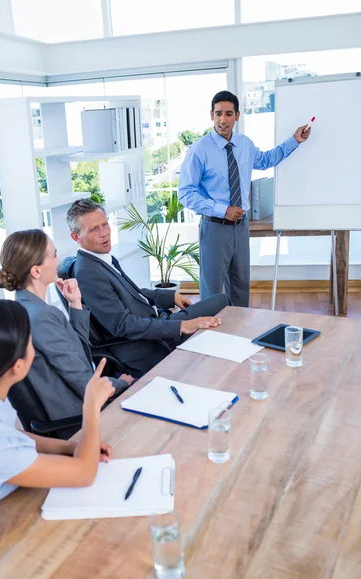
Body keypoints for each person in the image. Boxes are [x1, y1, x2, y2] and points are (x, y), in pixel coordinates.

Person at [0, 299, 115, 525]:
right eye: (30, 341)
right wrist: (91, 405)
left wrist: (68, 447)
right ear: (18, 366)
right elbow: (84, 473)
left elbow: (11, 436)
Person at [66, 198, 231, 377]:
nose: (104, 233)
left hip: (157, 322)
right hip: (147, 344)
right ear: (76, 237)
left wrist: (169, 296)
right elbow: (123, 325)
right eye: (93, 229)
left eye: (105, 224)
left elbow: (130, 293)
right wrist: (181, 326)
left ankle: (217, 365)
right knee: (221, 304)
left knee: (221, 302)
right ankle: (219, 371)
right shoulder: (88, 273)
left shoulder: (101, 259)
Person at [178, 90, 311, 306]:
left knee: (240, 287)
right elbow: (186, 192)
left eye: (228, 113)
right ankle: (212, 336)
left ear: (237, 116)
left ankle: (238, 335)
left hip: (241, 226)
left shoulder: (244, 144)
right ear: (211, 115)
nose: (223, 119)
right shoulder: (199, 150)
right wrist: (223, 209)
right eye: (218, 113)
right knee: (212, 290)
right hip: (214, 227)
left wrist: (294, 140)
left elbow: (266, 160)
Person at [0, 229, 133, 424]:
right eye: (54, 255)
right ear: (36, 271)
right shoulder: (43, 316)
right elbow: (83, 381)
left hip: (65, 412)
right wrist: (121, 384)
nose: (59, 260)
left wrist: (75, 304)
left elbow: (77, 353)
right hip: (77, 416)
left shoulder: (20, 309)